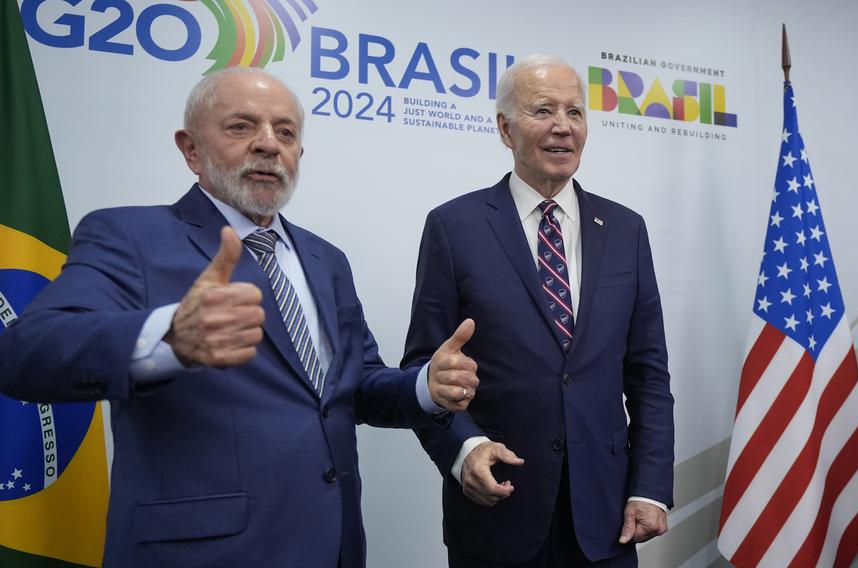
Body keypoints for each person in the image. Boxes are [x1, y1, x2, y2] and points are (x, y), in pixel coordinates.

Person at [0, 67, 480, 568]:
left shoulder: (326, 259)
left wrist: (425, 387)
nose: (268, 145)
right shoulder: (129, 236)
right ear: (190, 149)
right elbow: (25, 351)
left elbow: (355, 388)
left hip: (333, 546)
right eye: (241, 127)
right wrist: (168, 337)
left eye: (286, 132)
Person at [402, 55, 674, 567]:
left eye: (575, 112)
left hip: (607, 516)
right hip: (497, 509)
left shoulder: (624, 229)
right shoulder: (453, 227)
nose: (563, 127)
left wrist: (651, 487)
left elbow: (649, 374)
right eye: (543, 110)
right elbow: (423, 371)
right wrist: (462, 453)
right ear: (505, 128)